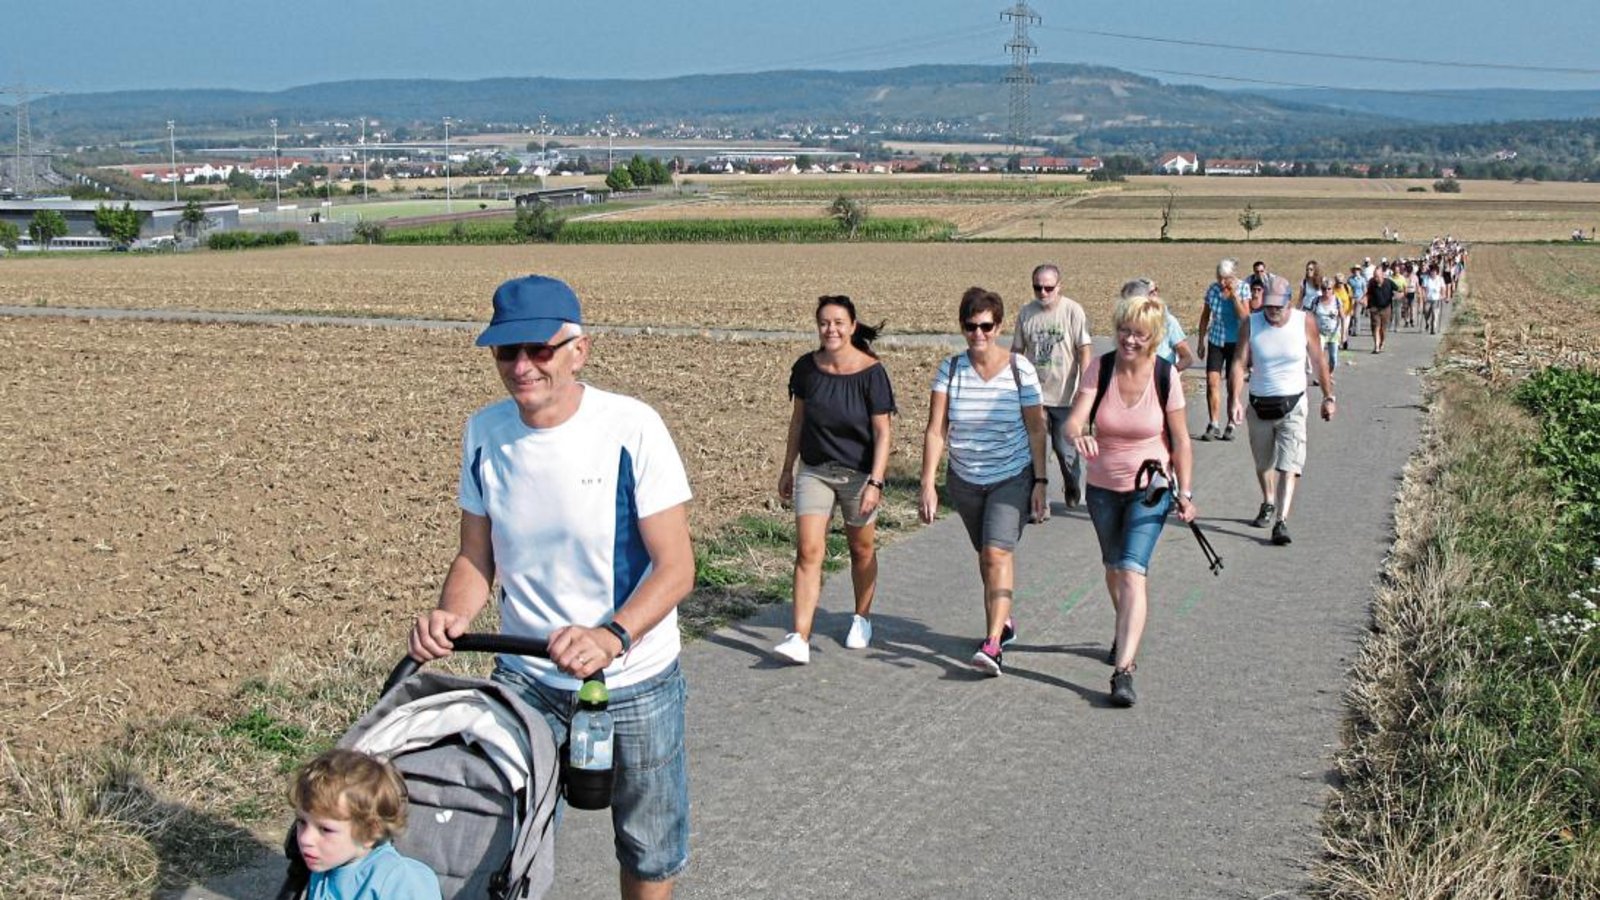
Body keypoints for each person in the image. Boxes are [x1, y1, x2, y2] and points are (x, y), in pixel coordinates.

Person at [409, 275, 695, 900]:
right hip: (526, 678)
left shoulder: (631, 427)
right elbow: (475, 557)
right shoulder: (484, 433)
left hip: (632, 679)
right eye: (505, 352)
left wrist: (611, 636)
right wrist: (449, 614)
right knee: (506, 841)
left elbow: (676, 567)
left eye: (538, 349)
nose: (520, 366)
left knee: (649, 848)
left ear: (578, 350)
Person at [1066, 291, 1196, 708]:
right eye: (1124, 330)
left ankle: (1123, 670)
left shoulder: (1165, 375)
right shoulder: (1099, 369)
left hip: (1150, 489)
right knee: (1112, 568)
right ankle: (1126, 629)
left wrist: (1186, 492)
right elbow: (1072, 420)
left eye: (1139, 334)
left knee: (1131, 570)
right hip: (1103, 489)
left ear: (1154, 337)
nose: (1129, 340)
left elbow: (1180, 440)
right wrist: (1079, 433)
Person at [919, 286, 1049, 677]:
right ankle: (1003, 620)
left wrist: (1041, 481)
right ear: (962, 327)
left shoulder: (1019, 369)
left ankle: (992, 643)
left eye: (986, 326)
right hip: (965, 479)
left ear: (999, 326)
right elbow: (936, 430)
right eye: (971, 326)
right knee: (985, 555)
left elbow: (1037, 430)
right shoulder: (951, 369)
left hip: (1011, 476)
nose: (979, 334)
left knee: (997, 553)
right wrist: (928, 482)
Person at [774, 295, 896, 664]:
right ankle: (800, 636)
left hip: (859, 474)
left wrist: (876, 482)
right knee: (809, 550)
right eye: (825, 323)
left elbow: (883, 433)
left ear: (853, 326)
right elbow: (798, 421)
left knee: (861, 550)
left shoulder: (872, 373)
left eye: (839, 322)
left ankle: (861, 617)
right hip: (815, 471)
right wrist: (787, 467)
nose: (831, 329)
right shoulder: (807, 369)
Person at [1228, 276, 1336, 547]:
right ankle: (1268, 501)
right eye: (1268, 306)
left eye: (1278, 306)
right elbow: (1239, 363)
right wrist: (1234, 400)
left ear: (1290, 302)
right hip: (1259, 404)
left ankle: (1281, 521)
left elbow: (1318, 360)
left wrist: (1328, 396)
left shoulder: (1304, 322)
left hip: (1294, 405)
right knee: (1263, 463)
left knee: (1289, 464)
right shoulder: (1251, 324)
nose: (1272, 311)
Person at [290, 749, 442, 900]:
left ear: (370, 832)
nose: (305, 839)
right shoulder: (325, 866)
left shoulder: (398, 881)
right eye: (302, 822)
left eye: (326, 829)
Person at [1011, 263, 1094, 509]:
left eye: (1048, 288)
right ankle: (1041, 502)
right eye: (1038, 288)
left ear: (1059, 287)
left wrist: (1085, 386)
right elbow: (1016, 352)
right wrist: (1013, 384)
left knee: (1065, 451)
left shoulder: (1073, 311)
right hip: (1035, 396)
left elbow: (1084, 351)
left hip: (1066, 397)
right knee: (1036, 451)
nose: (1043, 293)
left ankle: (1072, 483)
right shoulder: (1026, 313)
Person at [1196, 258, 1248, 442]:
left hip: (1236, 342)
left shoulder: (1243, 288)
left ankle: (1231, 423)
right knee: (1212, 381)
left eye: (1225, 278)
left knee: (1232, 386)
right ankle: (1214, 423)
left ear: (1233, 277)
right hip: (1216, 340)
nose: (1222, 282)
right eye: (1219, 278)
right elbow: (1205, 316)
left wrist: (1234, 297)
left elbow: (1245, 317)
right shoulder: (1212, 290)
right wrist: (1201, 341)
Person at [1312, 278, 1343, 371]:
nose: (1326, 291)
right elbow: (1311, 316)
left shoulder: (1337, 301)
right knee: (1319, 356)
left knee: (1333, 358)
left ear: (1332, 289)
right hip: (1320, 332)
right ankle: (1321, 376)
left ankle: (1329, 374)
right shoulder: (1316, 301)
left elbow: (1343, 317)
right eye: (1324, 289)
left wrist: (1344, 334)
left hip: (1334, 332)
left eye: (1329, 289)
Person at [1365, 262, 1396, 353]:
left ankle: (1382, 342)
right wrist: (1365, 300)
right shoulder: (1371, 282)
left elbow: (1399, 290)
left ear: (1382, 275)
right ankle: (1376, 346)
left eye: (1377, 276)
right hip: (1374, 308)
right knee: (1376, 327)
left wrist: (1400, 294)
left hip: (1386, 308)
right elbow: (1368, 293)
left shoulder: (1389, 282)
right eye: (1375, 276)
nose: (1376, 278)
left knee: (1383, 329)